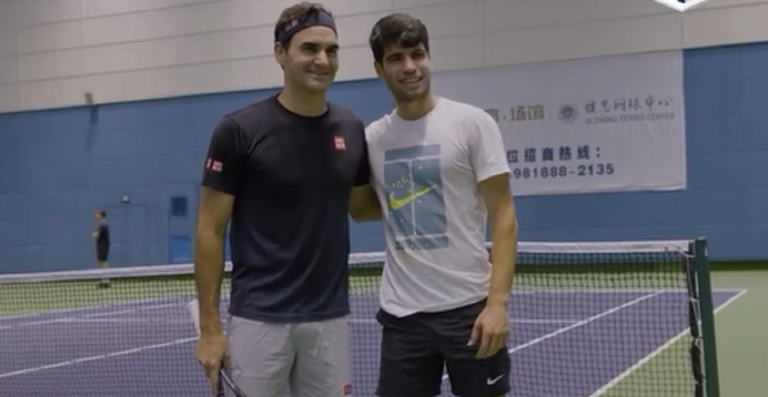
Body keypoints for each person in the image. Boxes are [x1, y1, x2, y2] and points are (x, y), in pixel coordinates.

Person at [192, 2, 379, 397]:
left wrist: (440, 203)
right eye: (309, 48)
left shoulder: (351, 128)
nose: (322, 60)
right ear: (280, 54)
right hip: (259, 320)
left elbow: (362, 208)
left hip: (329, 319)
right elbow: (209, 230)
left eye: (332, 50)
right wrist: (210, 329)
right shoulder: (239, 131)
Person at [364, 13, 519, 397]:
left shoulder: (471, 124)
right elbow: (366, 208)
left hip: (470, 311)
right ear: (379, 68)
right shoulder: (372, 140)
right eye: (397, 58)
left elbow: (504, 216)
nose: (410, 67)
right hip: (403, 318)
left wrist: (497, 304)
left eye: (417, 54)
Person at [91, 209, 111, 288]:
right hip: (101, 246)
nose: (95, 216)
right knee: (101, 262)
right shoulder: (101, 224)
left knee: (103, 262)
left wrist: (94, 234)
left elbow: (96, 235)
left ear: (101, 215)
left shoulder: (102, 224)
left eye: (97, 214)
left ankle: (106, 281)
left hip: (103, 246)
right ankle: (104, 280)